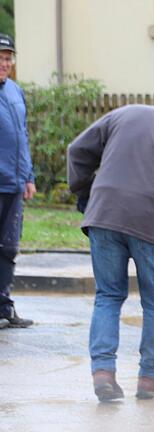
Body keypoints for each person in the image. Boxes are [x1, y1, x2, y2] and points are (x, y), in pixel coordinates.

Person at [67, 92, 154, 402]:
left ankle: (103, 373)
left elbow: (76, 151)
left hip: (104, 217)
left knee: (107, 295)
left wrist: (85, 194)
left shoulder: (124, 114)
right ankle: (149, 378)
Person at [0, 33, 35, 330]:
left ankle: (4, 306)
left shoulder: (14, 91)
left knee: (9, 247)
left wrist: (28, 177)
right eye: (0, 57)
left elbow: (22, 135)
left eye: (8, 57)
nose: (5, 62)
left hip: (13, 184)